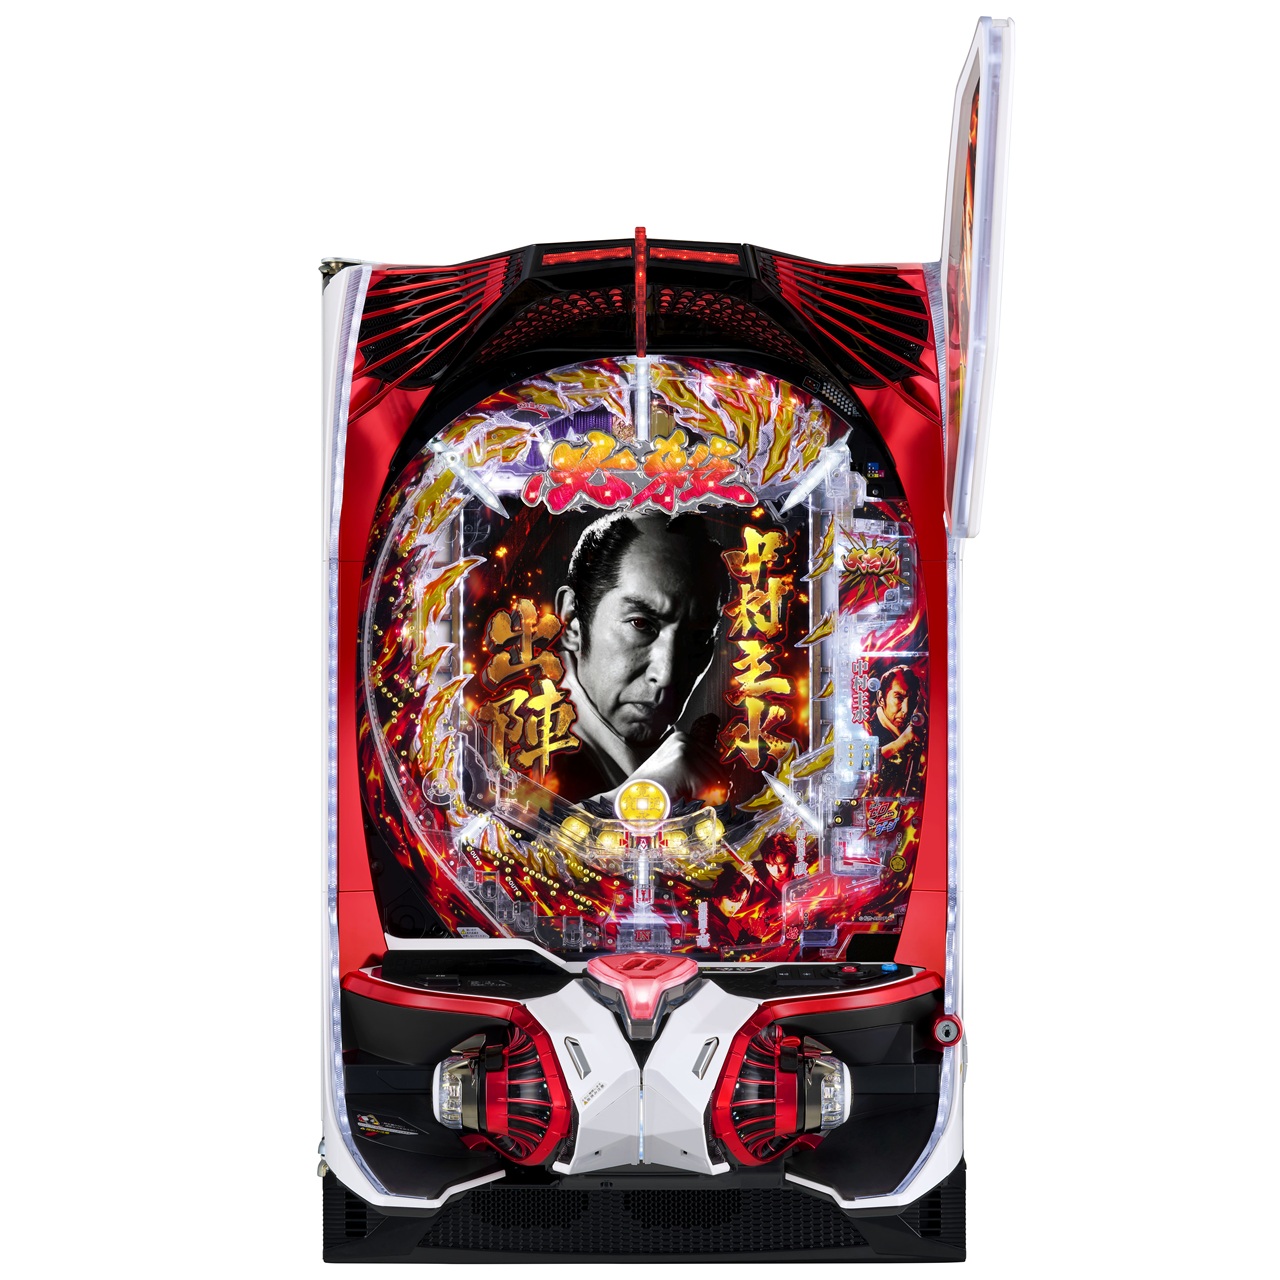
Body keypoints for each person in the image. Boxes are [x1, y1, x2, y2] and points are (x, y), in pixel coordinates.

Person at [549, 511, 732, 805]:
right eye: (641, 624)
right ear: (571, 620)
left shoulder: (688, 762)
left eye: (698, 638)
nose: (666, 674)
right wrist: (637, 799)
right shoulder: (512, 748)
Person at [865, 665, 925, 795]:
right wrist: (899, 743)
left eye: (912, 699)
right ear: (881, 698)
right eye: (899, 698)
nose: (906, 710)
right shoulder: (867, 729)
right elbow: (859, 766)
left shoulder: (918, 732)